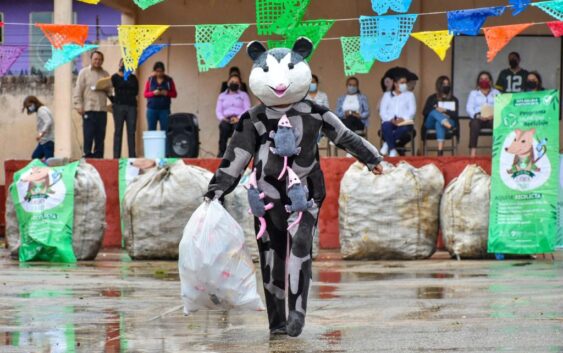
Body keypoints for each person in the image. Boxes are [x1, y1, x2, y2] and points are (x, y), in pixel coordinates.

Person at [205, 38, 383, 337]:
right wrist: (215, 190)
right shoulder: (254, 117)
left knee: (300, 248)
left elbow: (345, 136)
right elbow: (236, 156)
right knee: (271, 258)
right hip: (266, 199)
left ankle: (297, 311)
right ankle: (276, 321)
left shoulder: (316, 112)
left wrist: (371, 157)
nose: (278, 84)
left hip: (306, 197)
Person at [73, 50, 111, 158]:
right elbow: (78, 90)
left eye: (100, 59)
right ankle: (88, 158)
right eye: (95, 59)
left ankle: (99, 159)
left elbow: (109, 91)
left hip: (102, 110)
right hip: (88, 109)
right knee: (88, 136)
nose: (97, 61)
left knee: (100, 138)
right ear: (91, 59)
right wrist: (78, 105)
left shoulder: (105, 74)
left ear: (102, 61)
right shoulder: (83, 72)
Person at [379, 72, 416, 157]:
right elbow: (382, 112)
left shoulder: (410, 95)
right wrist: (391, 119)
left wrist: (403, 119)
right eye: (402, 83)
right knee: (385, 126)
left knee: (405, 129)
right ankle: (392, 150)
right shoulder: (387, 95)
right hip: (390, 121)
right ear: (395, 84)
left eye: (405, 83)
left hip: (405, 122)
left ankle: (387, 145)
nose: (404, 85)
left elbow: (412, 111)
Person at [215, 74, 251, 157]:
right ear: (227, 83)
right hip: (226, 119)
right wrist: (222, 118)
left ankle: (238, 155)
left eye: (236, 82)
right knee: (223, 127)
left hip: (239, 119)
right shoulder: (222, 96)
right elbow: (218, 111)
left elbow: (247, 108)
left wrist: (239, 118)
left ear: (240, 84)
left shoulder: (243, 95)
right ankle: (221, 153)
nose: (234, 83)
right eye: (232, 81)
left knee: (238, 129)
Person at [422, 76, 459, 156]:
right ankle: (444, 122)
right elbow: (424, 112)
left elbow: (456, 115)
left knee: (439, 123)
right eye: (443, 84)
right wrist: (437, 110)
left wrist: (445, 110)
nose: (446, 86)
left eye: (447, 84)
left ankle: (440, 152)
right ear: (439, 85)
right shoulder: (432, 98)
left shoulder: (453, 99)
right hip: (430, 123)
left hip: (449, 121)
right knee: (433, 111)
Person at [467, 71, 500, 157]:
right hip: (478, 117)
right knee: (474, 124)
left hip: (492, 117)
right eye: (481, 79)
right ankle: (473, 153)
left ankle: (497, 152)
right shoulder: (473, 93)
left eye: (486, 79)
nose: (483, 81)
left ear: (490, 81)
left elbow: (501, 107)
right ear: (478, 81)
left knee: (497, 124)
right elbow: (469, 108)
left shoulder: (496, 93)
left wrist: (494, 115)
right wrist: (478, 116)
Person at [111, 59, 138, 158]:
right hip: (118, 107)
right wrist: (113, 100)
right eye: (122, 63)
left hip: (131, 107)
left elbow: (136, 91)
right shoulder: (114, 77)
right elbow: (108, 90)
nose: (124, 65)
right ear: (119, 64)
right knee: (118, 131)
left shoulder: (133, 78)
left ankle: (132, 156)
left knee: (131, 132)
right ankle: (116, 157)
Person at [144, 61, 177, 132]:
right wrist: (153, 93)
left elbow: (174, 94)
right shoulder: (150, 80)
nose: (159, 73)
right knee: (151, 131)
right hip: (152, 109)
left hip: (164, 110)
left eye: (161, 71)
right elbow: (145, 94)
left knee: (165, 131)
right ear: (154, 71)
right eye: (157, 71)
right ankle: (152, 144)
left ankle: (165, 143)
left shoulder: (169, 80)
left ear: (164, 71)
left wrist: (166, 93)